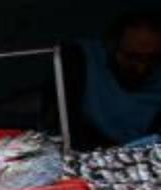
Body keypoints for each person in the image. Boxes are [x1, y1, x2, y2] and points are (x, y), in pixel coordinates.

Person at [61, 10, 161, 149]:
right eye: (131, 57)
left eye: (151, 59)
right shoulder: (83, 63)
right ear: (111, 47)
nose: (141, 68)